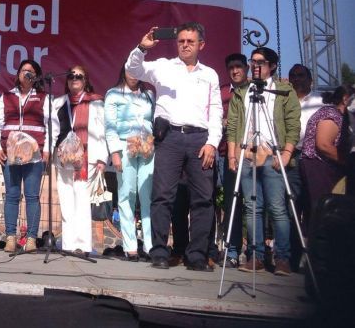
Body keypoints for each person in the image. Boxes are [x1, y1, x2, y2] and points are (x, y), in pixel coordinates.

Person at [125, 23, 221, 272]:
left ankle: (197, 255)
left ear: (201, 44)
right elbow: (133, 69)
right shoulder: (164, 66)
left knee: (203, 199)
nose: (185, 45)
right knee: (162, 196)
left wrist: (212, 143)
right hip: (170, 138)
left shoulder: (210, 74)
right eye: (181, 41)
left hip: (200, 139)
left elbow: (216, 111)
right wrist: (141, 48)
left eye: (190, 41)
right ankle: (159, 252)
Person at [226, 47, 300, 276]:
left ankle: (282, 259)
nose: (256, 65)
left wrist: (286, 153)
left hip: (272, 155)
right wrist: (232, 155)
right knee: (252, 208)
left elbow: (293, 124)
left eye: (261, 62)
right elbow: (233, 125)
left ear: (273, 66)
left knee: (277, 208)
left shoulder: (284, 90)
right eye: (253, 61)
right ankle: (255, 257)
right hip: (248, 155)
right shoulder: (242, 91)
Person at [0, 59, 51, 253]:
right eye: (23, 70)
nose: (26, 74)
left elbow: (52, 126)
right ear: (18, 74)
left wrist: (47, 149)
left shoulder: (44, 97)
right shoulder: (7, 96)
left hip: (34, 154)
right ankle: (10, 237)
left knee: (32, 196)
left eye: (31, 71)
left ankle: (32, 239)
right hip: (10, 152)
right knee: (11, 195)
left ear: (36, 77)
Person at [52, 65, 107, 256]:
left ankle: (82, 246)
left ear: (86, 80)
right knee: (66, 201)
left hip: (87, 158)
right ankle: (67, 244)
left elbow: (101, 131)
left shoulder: (96, 102)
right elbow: (53, 128)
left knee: (82, 201)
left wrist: (102, 158)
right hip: (63, 158)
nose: (75, 78)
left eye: (79, 76)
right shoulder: (58, 102)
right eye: (71, 75)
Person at [104, 66, 155, 261]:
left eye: (137, 71)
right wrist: (115, 153)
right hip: (125, 146)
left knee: (147, 195)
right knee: (126, 195)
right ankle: (130, 245)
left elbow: (152, 121)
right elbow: (110, 126)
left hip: (147, 148)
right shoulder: (114, 94)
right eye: (129, 70)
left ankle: (150, 246)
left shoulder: (148, 94)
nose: (133, 75)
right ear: (123, 71)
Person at [286, 63, 323, 270]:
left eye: (301, 75)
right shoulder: (284, 100)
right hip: (291, 157)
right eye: (293, 75)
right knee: (291, 207)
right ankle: (293, 256)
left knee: (313, 206)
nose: (296, 79)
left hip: (314, 158)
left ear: (310, 80)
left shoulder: (320, 101)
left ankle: (315, 258)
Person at [299, 85, 351, 231]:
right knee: (323, 209)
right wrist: (347, 162)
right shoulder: (331, 114)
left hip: (321, 166)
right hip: (318, 166)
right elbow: (323, 144)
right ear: (345, 98)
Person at [218, 52, 248, 268]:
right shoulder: (220, 93)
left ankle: (259, 253)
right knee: (231, 204)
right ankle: (231, 251)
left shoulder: (256, 92)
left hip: (253, 157)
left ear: (246, 68)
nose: (235, 71)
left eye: (239, 66)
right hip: (223, 155)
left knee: (256, 205)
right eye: (231, 68)